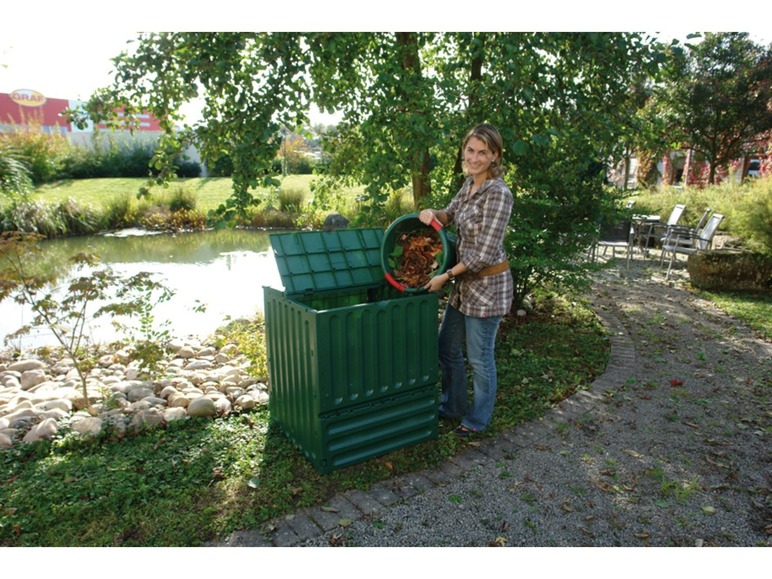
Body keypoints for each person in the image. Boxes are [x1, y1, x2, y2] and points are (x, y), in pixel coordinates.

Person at [418, 123, 514, 437]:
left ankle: (477, 419)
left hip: (487, 288)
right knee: (446, 346)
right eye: (470, 150)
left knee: (480, 357)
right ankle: (452, 406)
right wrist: (432, 213)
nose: (474, 157)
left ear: (494, 155)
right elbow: (450, 214)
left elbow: (483, 254)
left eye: (482, 152)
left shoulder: (498, 194)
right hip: (464, 287)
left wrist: (444, 276)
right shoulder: (470, 184)